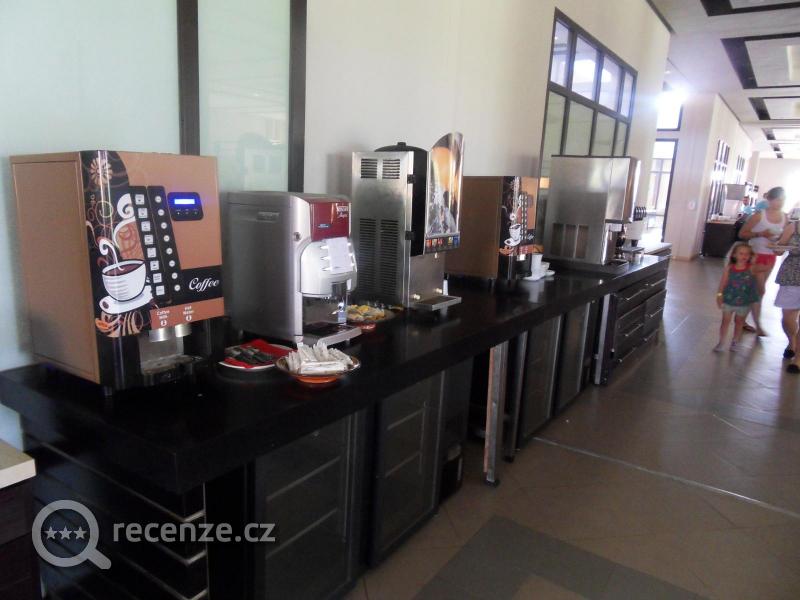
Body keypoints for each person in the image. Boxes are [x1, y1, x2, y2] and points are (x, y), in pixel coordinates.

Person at [738, 187, 787, 335]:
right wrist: (761, 234)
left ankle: (742, 320)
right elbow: (742, 233)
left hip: (770, 256)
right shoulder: (759, 216)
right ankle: (757, 325)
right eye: (777, 200)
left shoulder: (784, 217)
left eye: (782, 200)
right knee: (759, 290)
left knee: (756, 291)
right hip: (755, 255)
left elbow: (783, 239)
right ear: (770, 200)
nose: (780, 203)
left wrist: (780, 247)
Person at [715, 242, 760, 352]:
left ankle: (735, 341)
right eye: (741, 253)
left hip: (744, 302)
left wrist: (754, 258)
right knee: (725, 321)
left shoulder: (751, 268)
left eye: (747, 254)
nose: (744, 256)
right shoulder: (729, 268)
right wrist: (719, 295)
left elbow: (762, 267)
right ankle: (721, 342)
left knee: (739, 322)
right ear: (734, 255)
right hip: (728, 300)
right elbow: (723, 283)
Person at [772, 219, 800, 373]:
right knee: (788, 318)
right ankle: (792, 341)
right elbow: (779, 250)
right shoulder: (794, 226)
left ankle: (798, 359)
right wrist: (776, 246)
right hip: (792, 275)